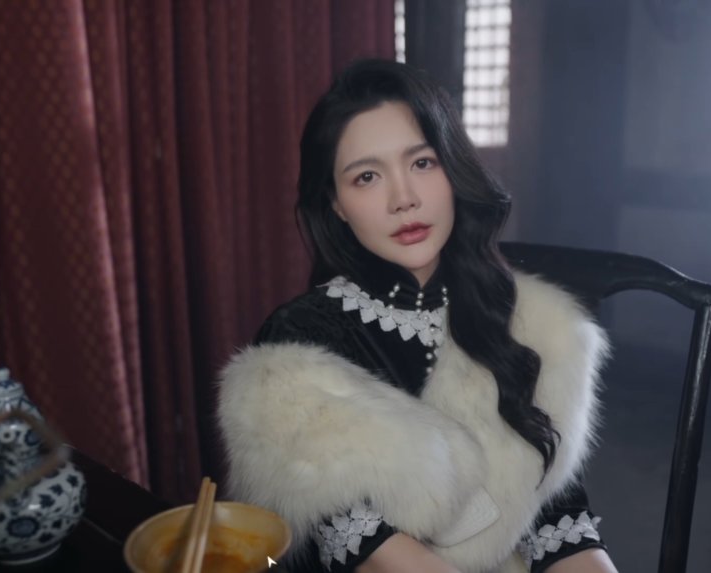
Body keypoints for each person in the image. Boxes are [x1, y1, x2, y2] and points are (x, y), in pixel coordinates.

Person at [216, 59, 617, 573]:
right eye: (366, 177)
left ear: (453, 168)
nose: (403, 199)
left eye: (422, 163)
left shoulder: (532, 323)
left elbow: (558, 519)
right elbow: (370, 551)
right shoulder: (297, 345)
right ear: (336, 204)